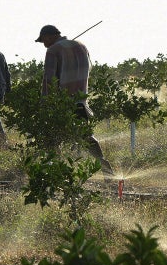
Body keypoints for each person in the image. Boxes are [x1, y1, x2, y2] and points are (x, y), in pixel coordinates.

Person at [34, 25, 113, 173]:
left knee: (52, 137)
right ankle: (103, 163)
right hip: (81, 100)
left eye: (43, 40)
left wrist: (45, 103)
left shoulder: (53, 50)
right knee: (86, 136)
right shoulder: (81, 46)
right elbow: (89, 68)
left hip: (62, 103)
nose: (44, 44)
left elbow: (49, 79)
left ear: (49, 36)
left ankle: (55, 170)